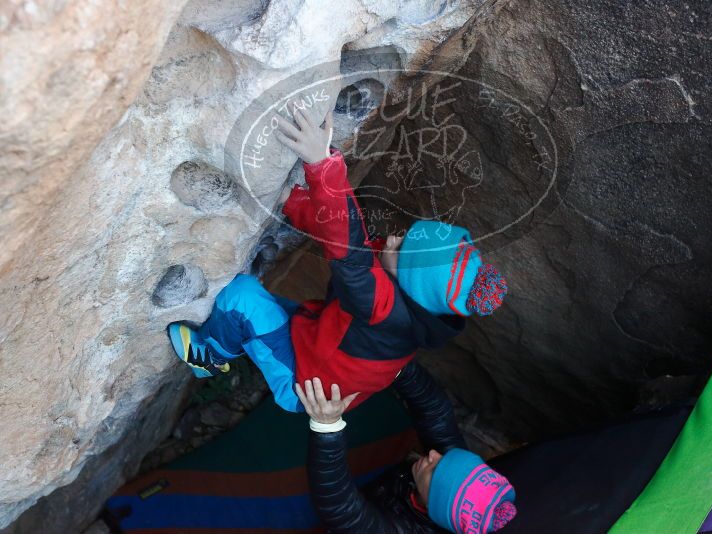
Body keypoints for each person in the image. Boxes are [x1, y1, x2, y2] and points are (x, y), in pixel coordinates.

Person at [167, 105, 508, 412]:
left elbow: (346, 241)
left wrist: (322, 164)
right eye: (404, 236)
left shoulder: (384, 309)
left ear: (411, 283)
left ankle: (211, 355)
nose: (393, 238)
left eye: (401, 248)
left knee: (239, 297)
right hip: (314, 340)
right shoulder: (415, 309)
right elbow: (345, 242)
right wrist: (292, 201)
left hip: (302, 383)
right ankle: (240, 339)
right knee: (259, 304)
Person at [297, 369, 517, 534]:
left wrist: (327, 426)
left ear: (433, 505)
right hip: (382, 493)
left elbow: (340, 509)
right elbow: (436, 415)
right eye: (447, 457)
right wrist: (399, 367)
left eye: (435, 469)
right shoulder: (456, 478)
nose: (433, 455)